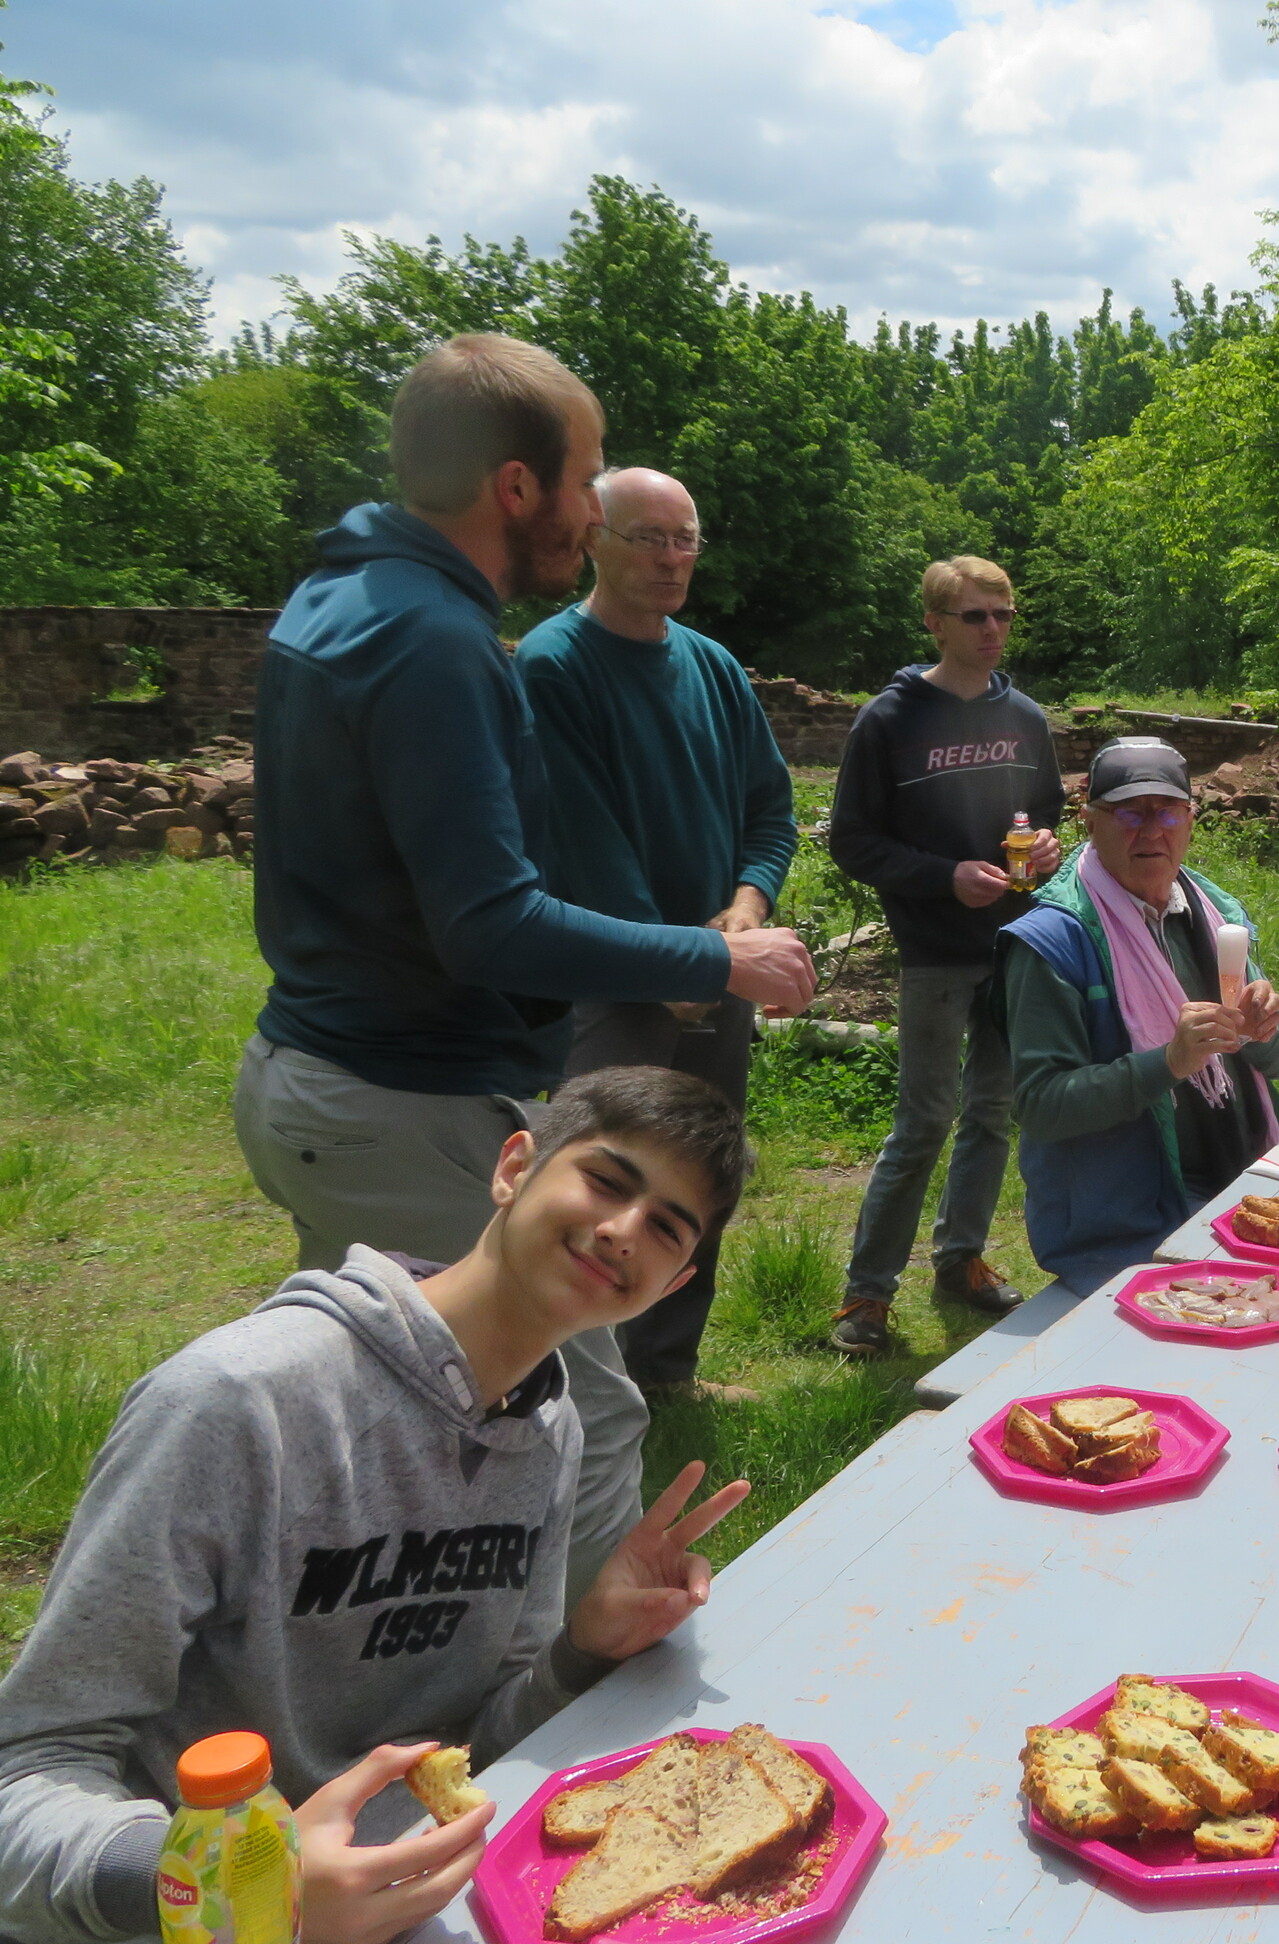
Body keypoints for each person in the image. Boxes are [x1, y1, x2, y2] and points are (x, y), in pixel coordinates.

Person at [229, 334, 815, 1593]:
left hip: (319, 1077)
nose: (594, 509)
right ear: (515, 487)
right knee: (581, 1397)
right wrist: (716, 960)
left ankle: (349, 1631)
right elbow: (490, 922)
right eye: (586, 479)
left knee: (366, 1390)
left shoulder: (347, 595)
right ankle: (595, 1680)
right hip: (396, 1101)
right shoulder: (435, 642)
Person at [0, 1070, 753, 1944]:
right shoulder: (237, 1402)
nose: (622, 1230)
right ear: (514, 1168)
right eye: (606, 1181)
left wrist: (583, 1649)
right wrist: (238, 1889)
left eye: (664, 1228)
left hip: (417, 1895)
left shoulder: (551, 1430)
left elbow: (476, 1742)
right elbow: (28, 1771)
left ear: (672, 1284)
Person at [519, 467, 798, 1402]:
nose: (672, 558)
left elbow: (770, 811)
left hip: (720, 970)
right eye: (649, 537)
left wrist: (747, 908)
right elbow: (582, 845)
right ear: (594, 538)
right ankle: (571, 1390)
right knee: (598, 1188)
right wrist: (686, 961)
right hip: (611, 981)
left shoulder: (713, 667)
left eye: (686, 540)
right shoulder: (555, 666)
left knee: (696, 1182)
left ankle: (666, 1373)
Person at [824, 556, 1068, 1356]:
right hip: (932, 948)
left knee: (992, 1113)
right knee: (924, 1120)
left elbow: (1045, 813)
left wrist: (1047, 848)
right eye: (974, 616)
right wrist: (943, 877)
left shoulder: (1025, 718)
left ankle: (960, 1259)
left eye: (1003, 614)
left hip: (1015, 943)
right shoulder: (889, 720)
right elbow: (853, 841)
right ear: (934, 623)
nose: (993, 629)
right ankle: (867, 1293)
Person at [997, 739, 1279, 1294]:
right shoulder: (1053, 942)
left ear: (1190, 821)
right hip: (1129, 1223)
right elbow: (1041, 1106)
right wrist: (1169, 1062)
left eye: (1167, 813)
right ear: (1089, 821)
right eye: (1129, 814)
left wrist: (1266, 1029)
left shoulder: (1214, 913)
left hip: (1244, 1181)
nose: (1151, 831)